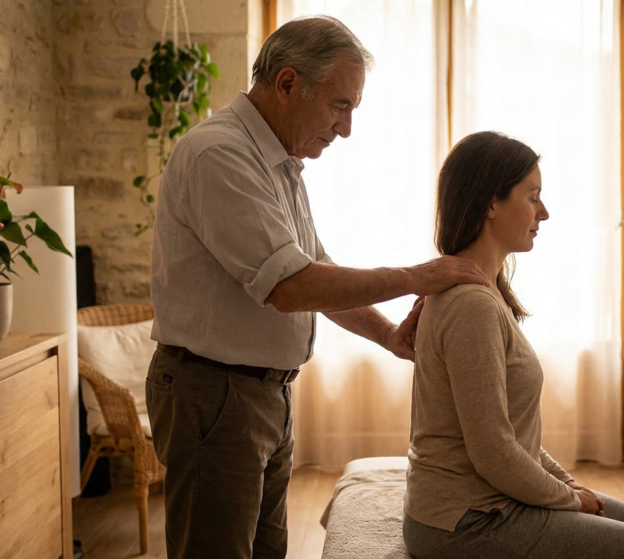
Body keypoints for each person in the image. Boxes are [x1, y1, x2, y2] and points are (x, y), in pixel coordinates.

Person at [145, 15, 487, 559]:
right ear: (287, 83)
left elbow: (314, 268)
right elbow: (291, 286)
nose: (345, 128)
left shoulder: (278, 161)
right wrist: (418, 277)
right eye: (339, 105)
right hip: (216, 394)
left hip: (259, 393)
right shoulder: (219, 154)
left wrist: (388, 336)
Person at [403, 131, 624, 559]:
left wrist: (566, 483)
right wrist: (570, 499)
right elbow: (493, 452)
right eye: (533, 196)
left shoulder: (486, 291)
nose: (545, 212)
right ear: (491, 203)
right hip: (466, 521)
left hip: (489, 503)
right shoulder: (470, 305)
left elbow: (512, 437)